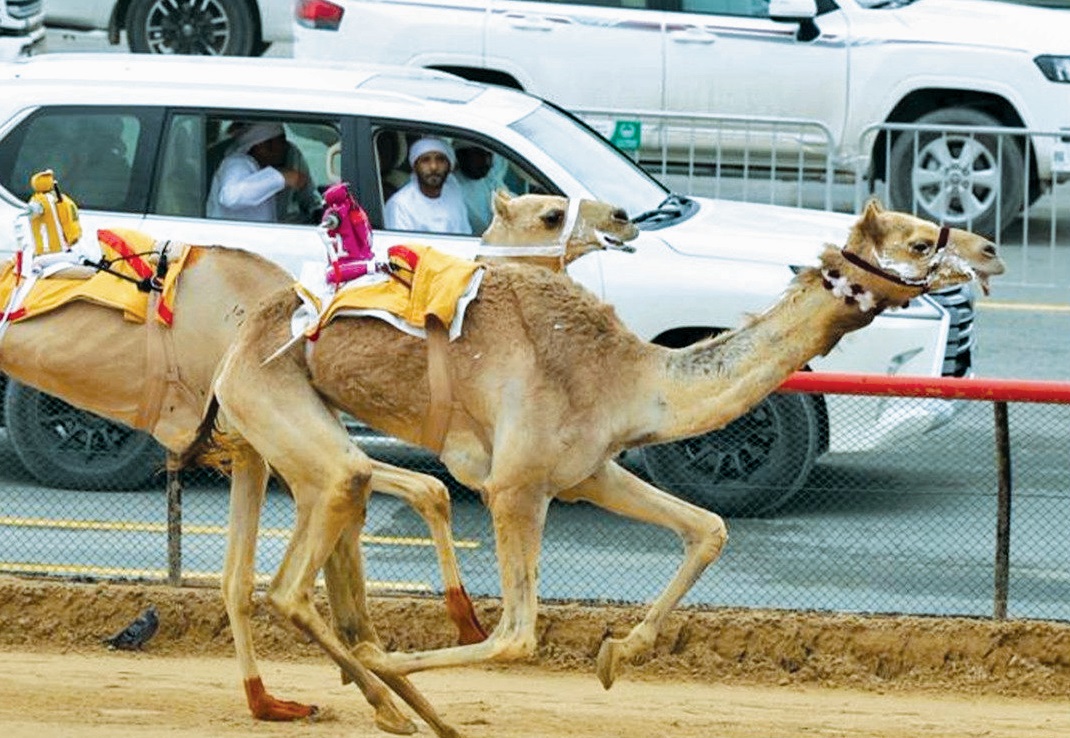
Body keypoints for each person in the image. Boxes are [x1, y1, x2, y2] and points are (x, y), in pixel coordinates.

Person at [206, 122, 314, 223]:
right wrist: (281, 177)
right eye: (281, 142)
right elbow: (231, 197)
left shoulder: (264, 167)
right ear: (264, 146)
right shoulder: (237, 163)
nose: (286, 148)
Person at [383, 136, 472, 235]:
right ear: (415, 167)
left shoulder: (453, 193)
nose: (433, 167)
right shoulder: (400, 205)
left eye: (440, 160)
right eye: (425, 160)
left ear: (449, 166)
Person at [453, 142, 509, 234]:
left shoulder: (490, 181)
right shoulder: (451, 188)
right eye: (479, 156)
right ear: (461, 156)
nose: (487, 162)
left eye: (489, 156)